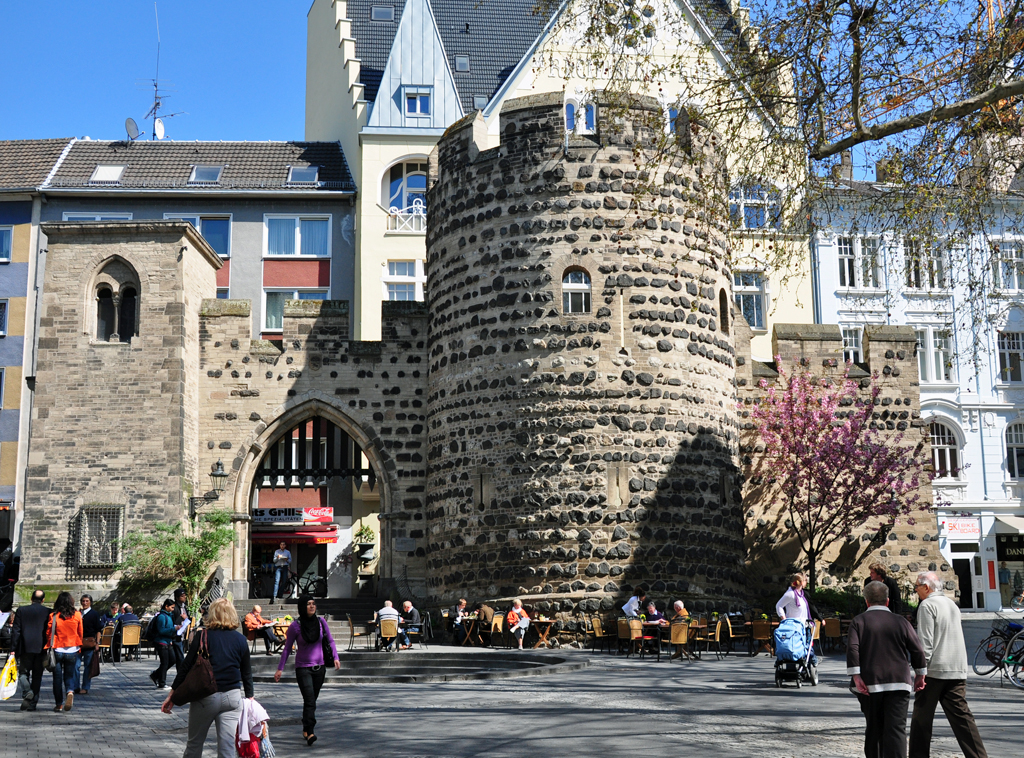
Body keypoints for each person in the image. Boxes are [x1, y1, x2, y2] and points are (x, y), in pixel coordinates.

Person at [908, 572, 989, 758]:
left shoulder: (927, 605)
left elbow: (925, 643)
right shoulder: (951, 604)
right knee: (963, 719)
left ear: (926, 587)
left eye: (916, 587)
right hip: (957, 668)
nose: (915, 591)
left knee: (921, 720)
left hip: (935, 670)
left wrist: (920, 671)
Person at [162, 598, 253, 758]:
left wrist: (173, 693)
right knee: (227, 750)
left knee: (195, 745)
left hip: (206, 696)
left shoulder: (202, 635)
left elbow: (186, 665)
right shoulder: (241, 640)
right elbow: (246, 672)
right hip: (233, 698)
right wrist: (250, 697)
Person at [848, 580, 927, 758]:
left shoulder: (859, 621)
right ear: (888, 601)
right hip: (899, 681)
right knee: (897, 729)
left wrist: (856, 675)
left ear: (866, 601)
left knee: (874, 728)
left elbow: (853, 648)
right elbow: (917, 649)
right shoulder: (900, 621)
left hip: (870, 682)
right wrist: (920, 674)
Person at [274, 595, 340, 746]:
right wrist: (280, 669)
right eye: (308, 604)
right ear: (302, 607)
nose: (312, 606)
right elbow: (286, 649)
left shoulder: (321, 622)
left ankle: (306, 726)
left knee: (311, 701)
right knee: (310, 700)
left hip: (320, 668)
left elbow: (330, 640)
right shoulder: (295, 626)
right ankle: (310, 732)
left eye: (313, 604)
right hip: (303, 669)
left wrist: (336, 657)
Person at [11, 589, 50, 711]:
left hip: (25, 647)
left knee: (23, 673)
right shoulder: (48, 612)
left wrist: (13, 649)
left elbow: (16, 631)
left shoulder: (21, 610)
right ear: (43, 600)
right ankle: (33, 704)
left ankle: (27, 691)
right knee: (37, 676)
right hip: (41, 648)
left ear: (31, 599)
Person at [44, 591, 83, 713]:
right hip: (72, 648)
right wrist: (79, 644)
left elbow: (49, 632)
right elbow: (80, 631)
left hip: (57, 648)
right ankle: (70, 691)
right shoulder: (77, 615)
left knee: (57, 678)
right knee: (69, 675)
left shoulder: (54, 615)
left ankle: (58, 704)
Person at [775, 572, 818, 672]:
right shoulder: (790, 594)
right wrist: (784, 619)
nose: (806, 582)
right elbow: (779, 606)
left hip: (803, 625)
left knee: (805, 647)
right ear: (801, 582)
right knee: (793, 649)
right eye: (805, 580)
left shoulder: (801, 594)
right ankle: (793, 670)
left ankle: (806, 669)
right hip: (794, 626)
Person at [75, 593, 103, 695]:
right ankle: (76, 686)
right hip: (78, 643)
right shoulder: (78, 613)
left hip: (89, 642)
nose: (85, 603)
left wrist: (97, 643)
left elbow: (98, 629)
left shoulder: (94, 614)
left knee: (88, 666)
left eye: (87, 601)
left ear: (90, 602)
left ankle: (85, 687)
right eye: (83, 601)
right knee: (75, 666)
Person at [149, 599, 179, 689]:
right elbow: (161, 630)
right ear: (166, 606)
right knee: (164, 662)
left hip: (167, 641)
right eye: (172, 607)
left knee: (172, 660)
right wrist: (174, 629)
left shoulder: (169, 616)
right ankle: (162, 682)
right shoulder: (162, 617)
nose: (173, 609)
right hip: (161, 642)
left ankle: (156, 674)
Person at [171, 589, 190, 665]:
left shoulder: (184, 607)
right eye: (182, 596)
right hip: (176, 635)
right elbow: (174, 621)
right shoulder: (174, 608)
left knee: (176, 659)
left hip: (182, 635)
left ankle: (157, 674)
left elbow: (187, 618)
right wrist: (183, 618)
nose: (184, 597)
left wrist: (186, 619)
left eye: (185, 595)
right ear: (177, 598)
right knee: (180, 658)